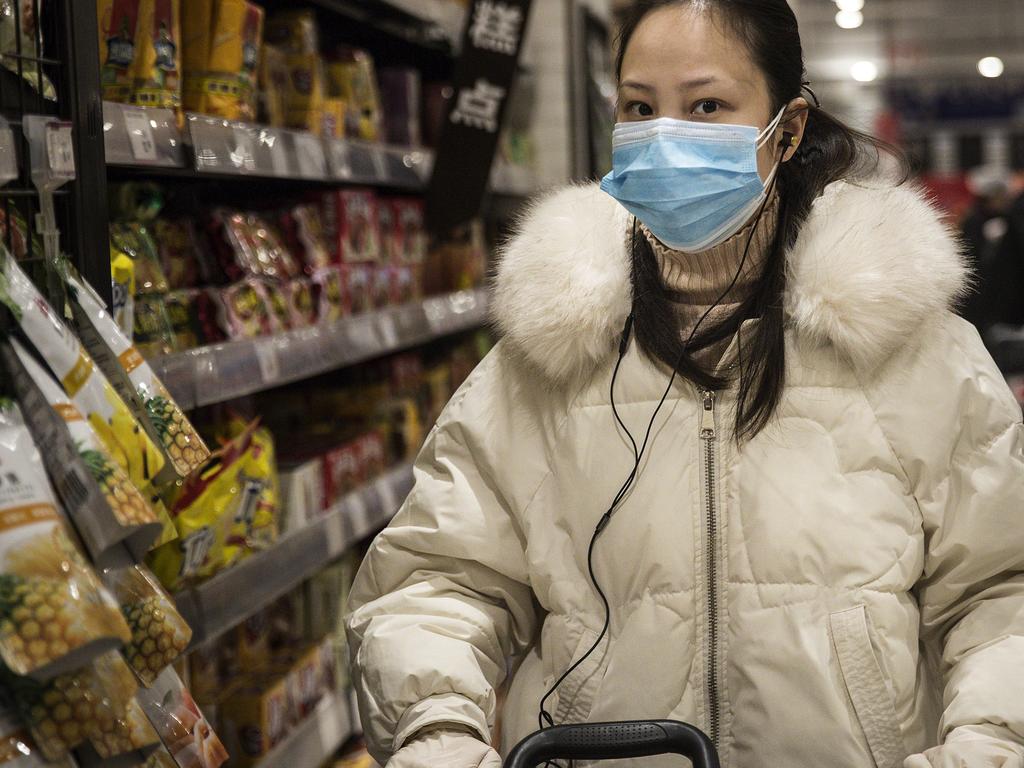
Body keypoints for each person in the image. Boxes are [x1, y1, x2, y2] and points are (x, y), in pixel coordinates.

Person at [346, 1, 1024, 766]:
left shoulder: (912, 350)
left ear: (788, 128)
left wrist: (989, 746)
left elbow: (1002, 589)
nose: (665, 137)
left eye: (706, 106)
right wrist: (435, 732)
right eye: (640, 108)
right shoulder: (550, 351)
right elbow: (438, 580)